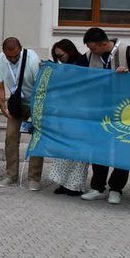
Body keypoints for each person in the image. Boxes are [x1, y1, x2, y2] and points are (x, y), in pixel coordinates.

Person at [80, 27, 130, 204]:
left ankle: (116, 188)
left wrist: (128, 75)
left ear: (103, 43)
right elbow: (74, 72)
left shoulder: (128, 51)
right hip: (99, 112)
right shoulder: (88, 57)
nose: (91, 52)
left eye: (93, 48)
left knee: (122, 149)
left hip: (125, 112)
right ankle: (98, 187)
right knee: (99, 149)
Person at [0, 35, 43, 189]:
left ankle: (34, 178)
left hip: (35, 102)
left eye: (15, 56)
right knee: (10, 137)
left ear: (21, 49)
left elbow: (40, 86)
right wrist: (3, 106)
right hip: (16, 103)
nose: (12, 59)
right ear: (3, 52)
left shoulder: (32, 59)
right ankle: (11, 175)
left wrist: (37, 111)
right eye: (9, 56)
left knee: (36, 138)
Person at [45, 39, 90, 196]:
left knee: (79, 152)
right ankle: (63, 183)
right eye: (56, 56)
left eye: (60, 55)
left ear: (69, 51)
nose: (59, 58)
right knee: (64, 149)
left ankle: (76, 185)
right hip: (66, 113)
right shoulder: (62, 67)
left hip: (81, 114)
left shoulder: (83, 63)